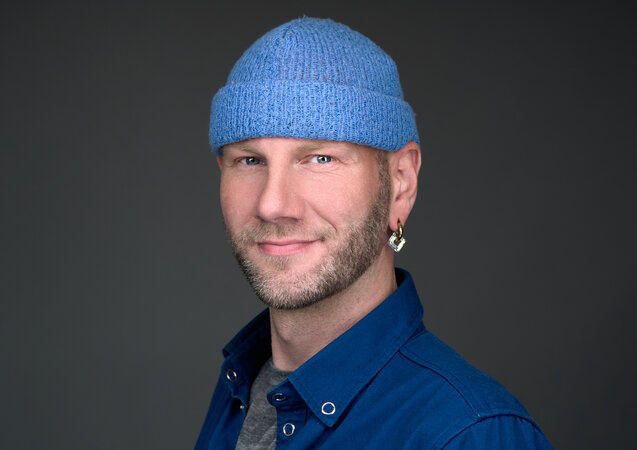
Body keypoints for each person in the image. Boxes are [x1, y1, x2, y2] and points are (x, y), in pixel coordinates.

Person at [195, 17, 552, 450]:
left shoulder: (469, 435)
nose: (272, 204)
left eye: (320, 158)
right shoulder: (241, 387)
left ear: (400, 183)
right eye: (250, 160)